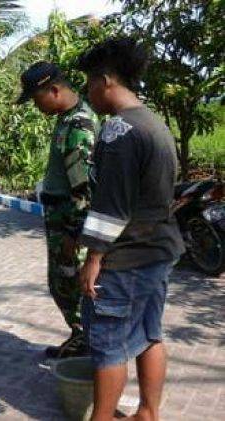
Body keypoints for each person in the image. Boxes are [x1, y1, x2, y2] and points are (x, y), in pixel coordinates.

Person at [76, 37, 184, 421]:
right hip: (158, 252)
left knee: (108, 346)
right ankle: (148, 413)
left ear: (106, 80)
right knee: (150, 335)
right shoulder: (154, 122)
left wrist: (93, 259)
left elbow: (112, 206)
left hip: (126, 260)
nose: (88, 92)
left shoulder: (119, 130)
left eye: (89, 83)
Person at [18, 61, 98, 358]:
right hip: (59, 218)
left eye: (37, 99)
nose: (36, 106)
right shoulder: (66, 119)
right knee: (60, 282)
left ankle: (86, 343)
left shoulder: (79, 124)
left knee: (69, 283)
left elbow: (82, 189)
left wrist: (73, 234)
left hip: (68, 222)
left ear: (53, 90)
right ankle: (80, 337)